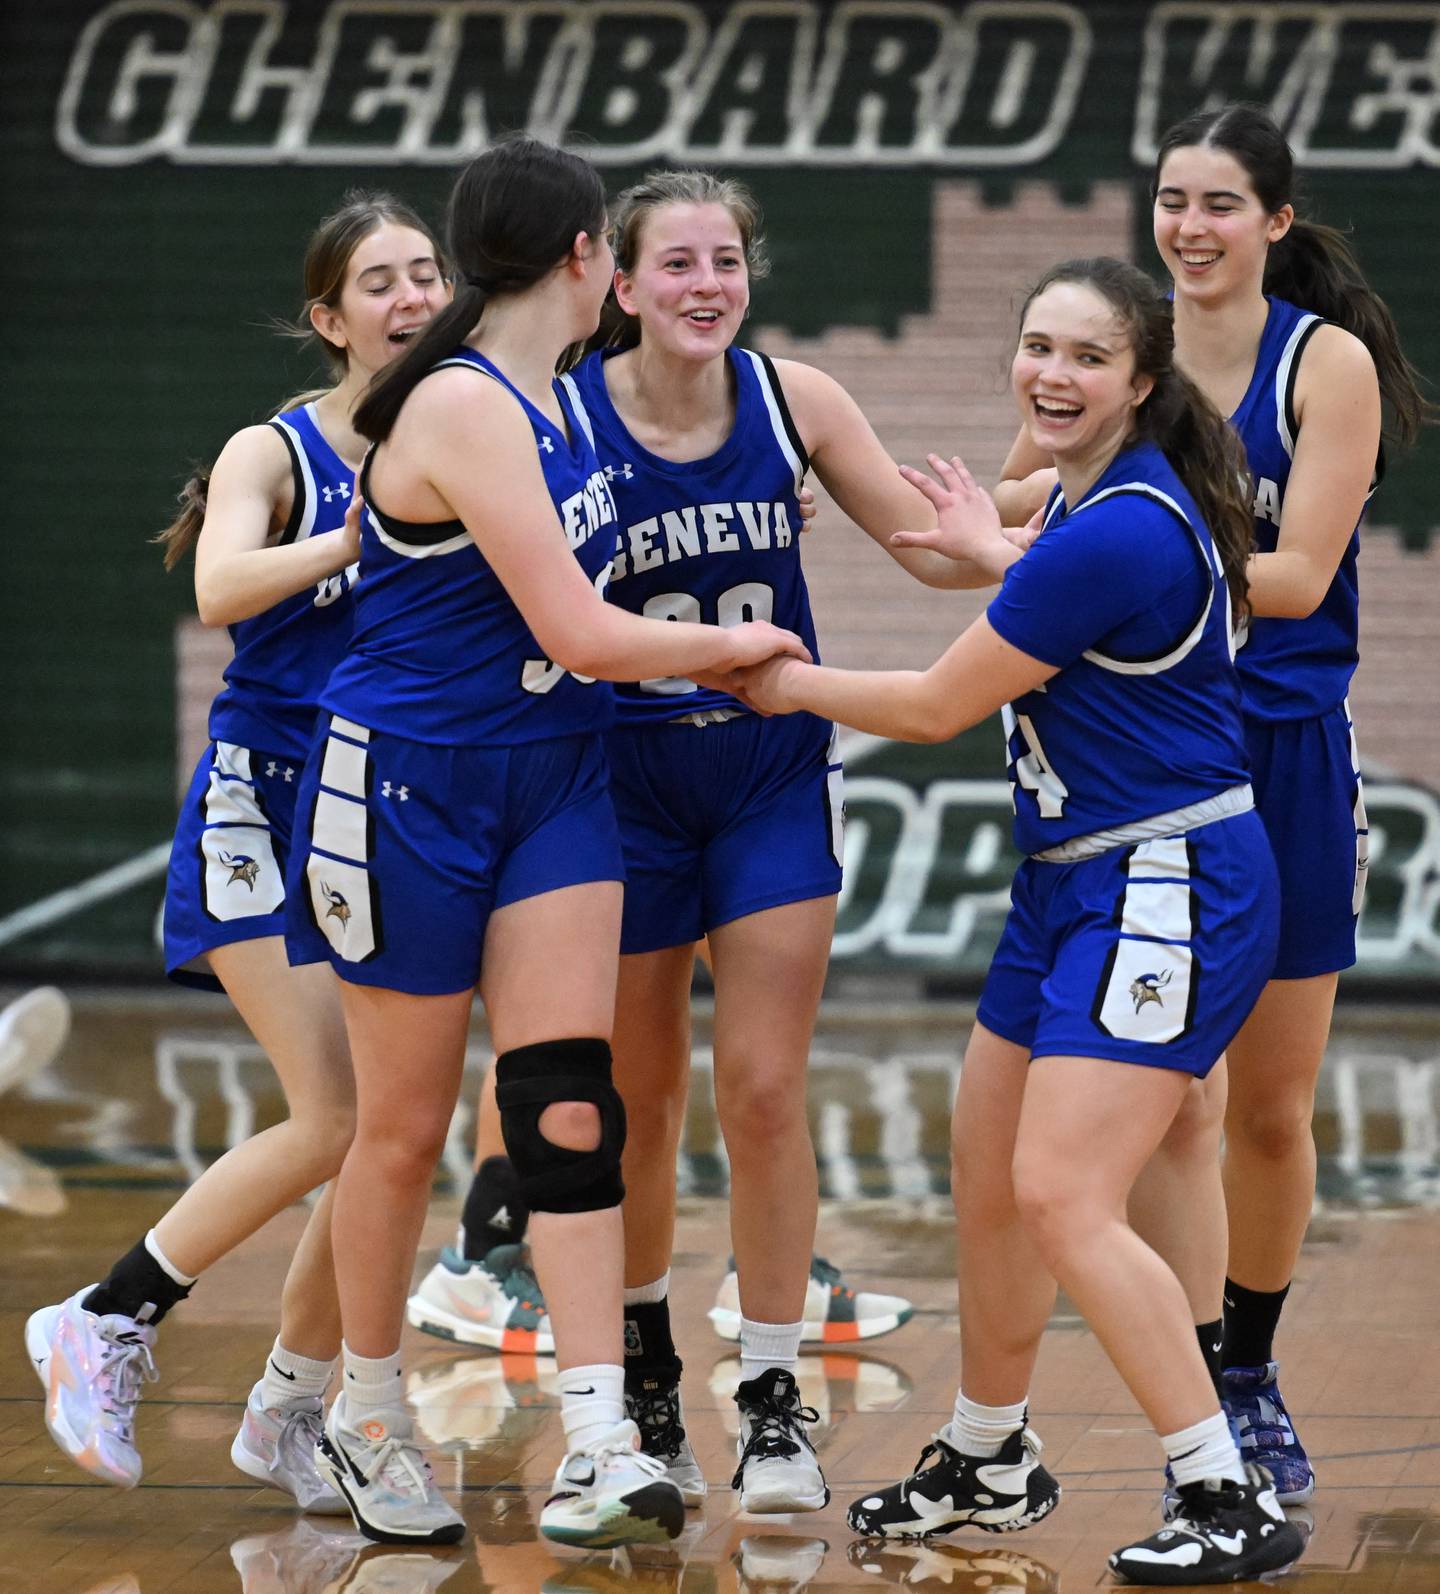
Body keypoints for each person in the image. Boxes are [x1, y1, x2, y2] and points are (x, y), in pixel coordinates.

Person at [408, 168, 987, 1515]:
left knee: (771, 1089)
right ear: (616, 278)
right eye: (676, 263)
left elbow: (929, 549)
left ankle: (774, 1387)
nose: (705, 286)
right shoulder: (551, 413)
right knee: (643, 1100)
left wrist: (1017, 539)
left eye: (725, 261)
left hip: (768, 775)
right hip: (622, 777)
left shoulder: (796, 402)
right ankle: (654, 1374)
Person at [731, 257, 1307, 1585]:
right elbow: (1009, 566)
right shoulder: (1085, 504)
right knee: (990, 1162)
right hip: (1075, 881)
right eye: (1037, 346)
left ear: (1143, 380)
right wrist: (986, 547)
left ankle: (1221, 1486)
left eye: (1087, 357)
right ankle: (990, 1449)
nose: (1051, 374)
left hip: (1162, 882)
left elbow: (936, 705)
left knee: (1062, 1189)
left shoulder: (1112, 525)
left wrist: (788, 679)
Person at [282, 139, 810, 1549]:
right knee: (396, 1131)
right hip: (408, 792)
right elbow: (582, 628)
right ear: (587, 261)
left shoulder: (560, 399)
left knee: (569, 1105)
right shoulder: (463, 405)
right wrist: (738, 642)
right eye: (625, 257)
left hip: (556, 781)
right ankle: (366, 1407)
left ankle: (598, 1434)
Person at [995, 104, 1426, 1503]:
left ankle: (1251, 1362)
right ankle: (1198, 1380)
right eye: (1172, 197)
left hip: (1281, 738)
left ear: (1278, 223)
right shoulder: (1126, 355)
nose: (1190, 224)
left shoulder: (1327, 362)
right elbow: (1019, 502)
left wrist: (1125, 553)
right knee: (1179, 1098)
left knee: (1272, 1106)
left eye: (1222, 202)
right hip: (1153, 753)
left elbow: (1298, 577)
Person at [24, 194, 449, 1509]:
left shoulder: (469, 431)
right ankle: (106, 1312)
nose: (413, 296)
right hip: (263, 805)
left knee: (389, 1134)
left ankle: (289, 1403)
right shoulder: (279, 448)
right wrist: (357, 537)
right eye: (381, 280)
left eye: (428, 271)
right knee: (337, 1112)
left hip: (383, 810)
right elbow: (220, 586)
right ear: (329, 318)